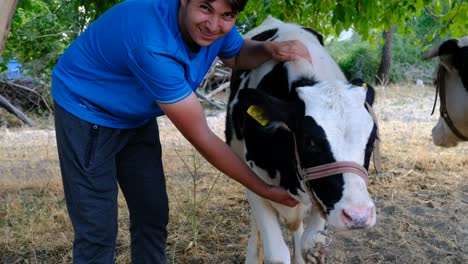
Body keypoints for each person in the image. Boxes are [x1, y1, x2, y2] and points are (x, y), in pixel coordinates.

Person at [51, 0, 311, 263]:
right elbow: (201, 135)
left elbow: (236, 54)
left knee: (152, 214)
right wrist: (263, 189)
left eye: (227, 15)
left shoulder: (215, 26)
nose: (213, 25)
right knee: (97, 229)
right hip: (88, 109)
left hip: (135, 114)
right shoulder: (152, 44)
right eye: (205, 8)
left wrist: (270, 49)